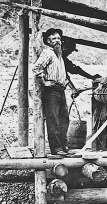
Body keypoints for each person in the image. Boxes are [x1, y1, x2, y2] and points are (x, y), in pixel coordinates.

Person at [33, 28, 73, 156]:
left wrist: (65, 81)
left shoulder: (59, 55)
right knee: (53, 121)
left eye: (59, 39)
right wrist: (44, 82)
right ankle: (56, 149)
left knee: (64, 119)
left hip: (60, 90)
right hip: (51, 92)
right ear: (48, 41)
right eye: (54, 38)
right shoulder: (48, 53)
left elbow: (62, 73)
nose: (57, 41)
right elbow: (36, 68)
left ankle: (64, 146)